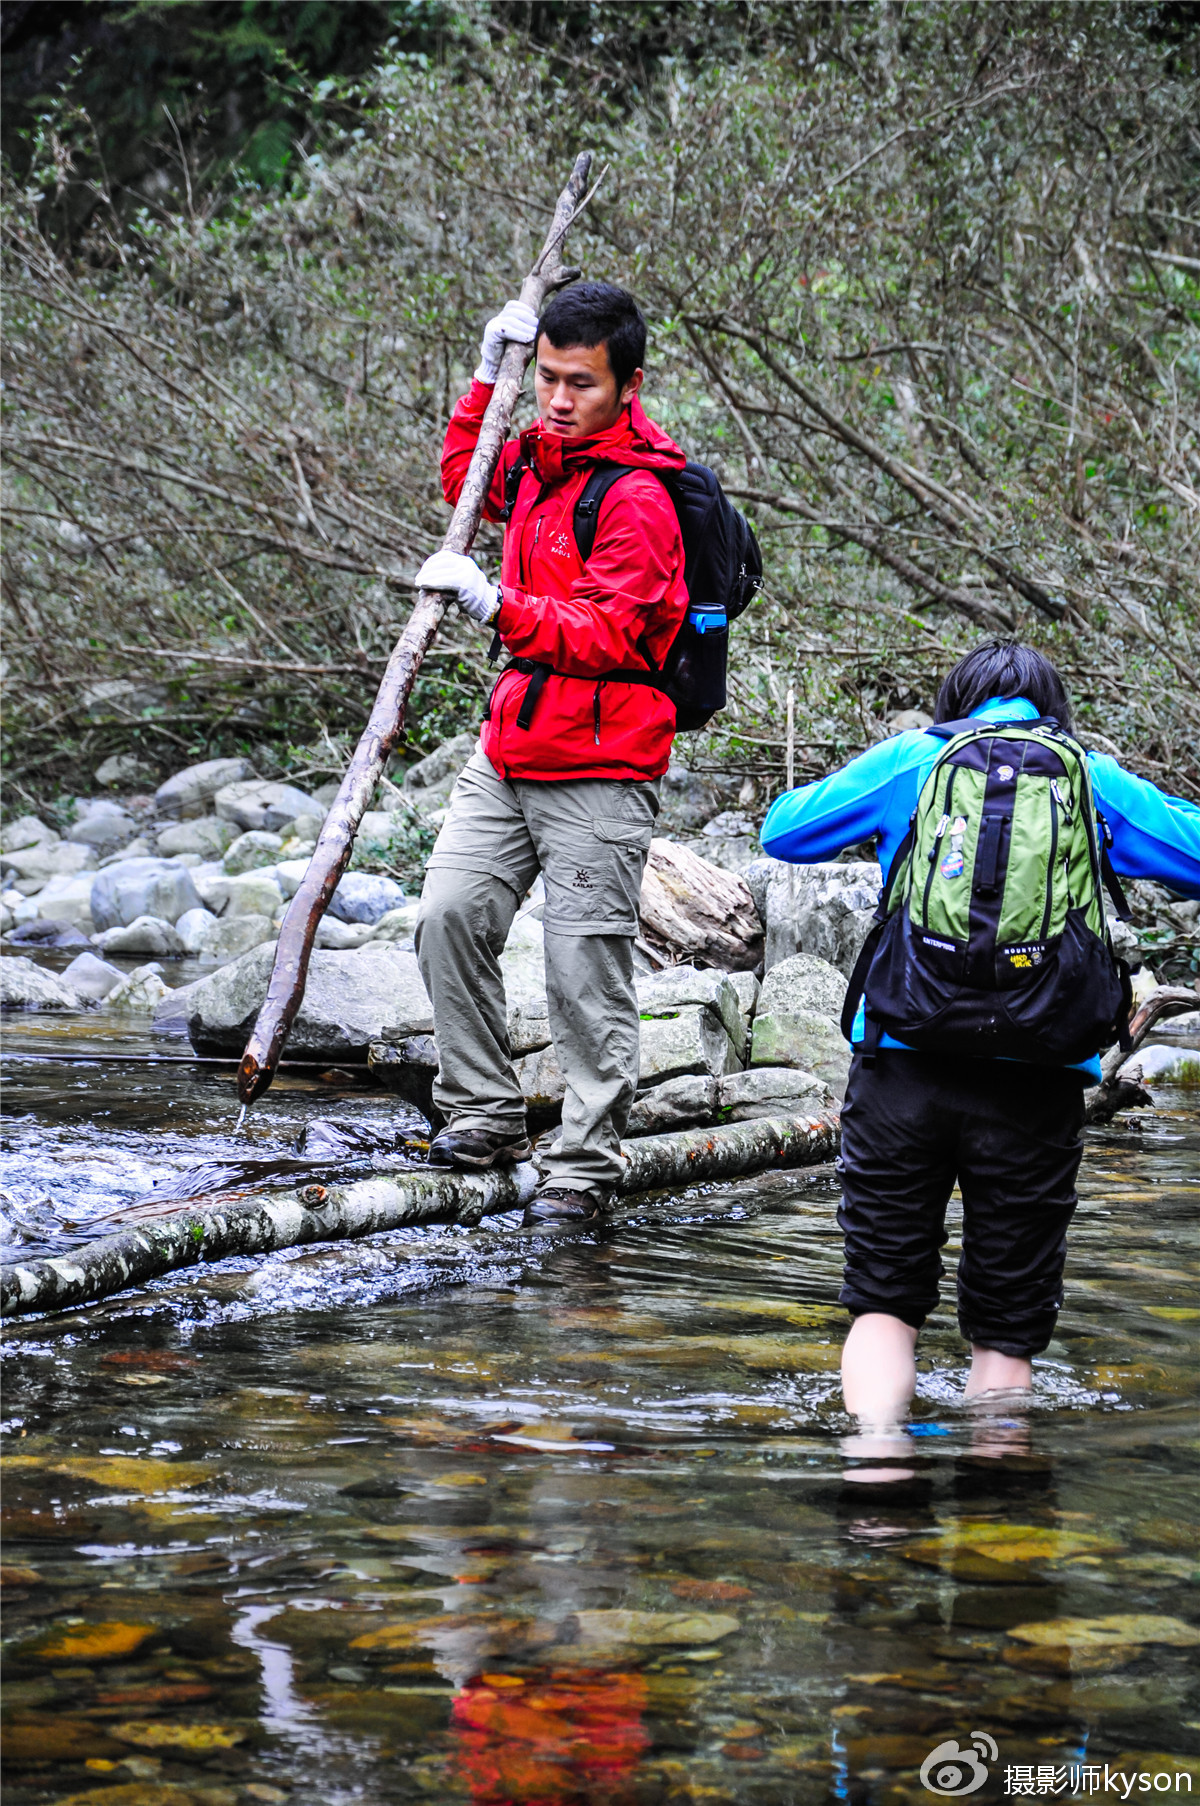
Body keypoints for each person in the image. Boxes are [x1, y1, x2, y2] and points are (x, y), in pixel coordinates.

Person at [760, 641, 1200, 1432]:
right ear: (1053, 708)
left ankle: (878, 1480)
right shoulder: (1087, 776)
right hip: (1039, 1076)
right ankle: (997, 1516)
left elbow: (782, 832)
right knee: (1006, 1325)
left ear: (954, 700)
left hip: (902, 1068)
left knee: (884, 1303)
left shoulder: (914, 761)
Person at [412, 283, 688, 1225]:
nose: (560, 399)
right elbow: (467, 478)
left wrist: (498, 607)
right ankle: (484, 1111)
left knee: (582, 973)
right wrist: (486, 376)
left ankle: (582, 1167)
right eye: (547, 379)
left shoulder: (641, 496)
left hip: (604, 767)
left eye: (581, 383)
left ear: (629, 385)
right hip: (512, 744)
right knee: (449, 915)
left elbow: (613, 631)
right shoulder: (534, 460)